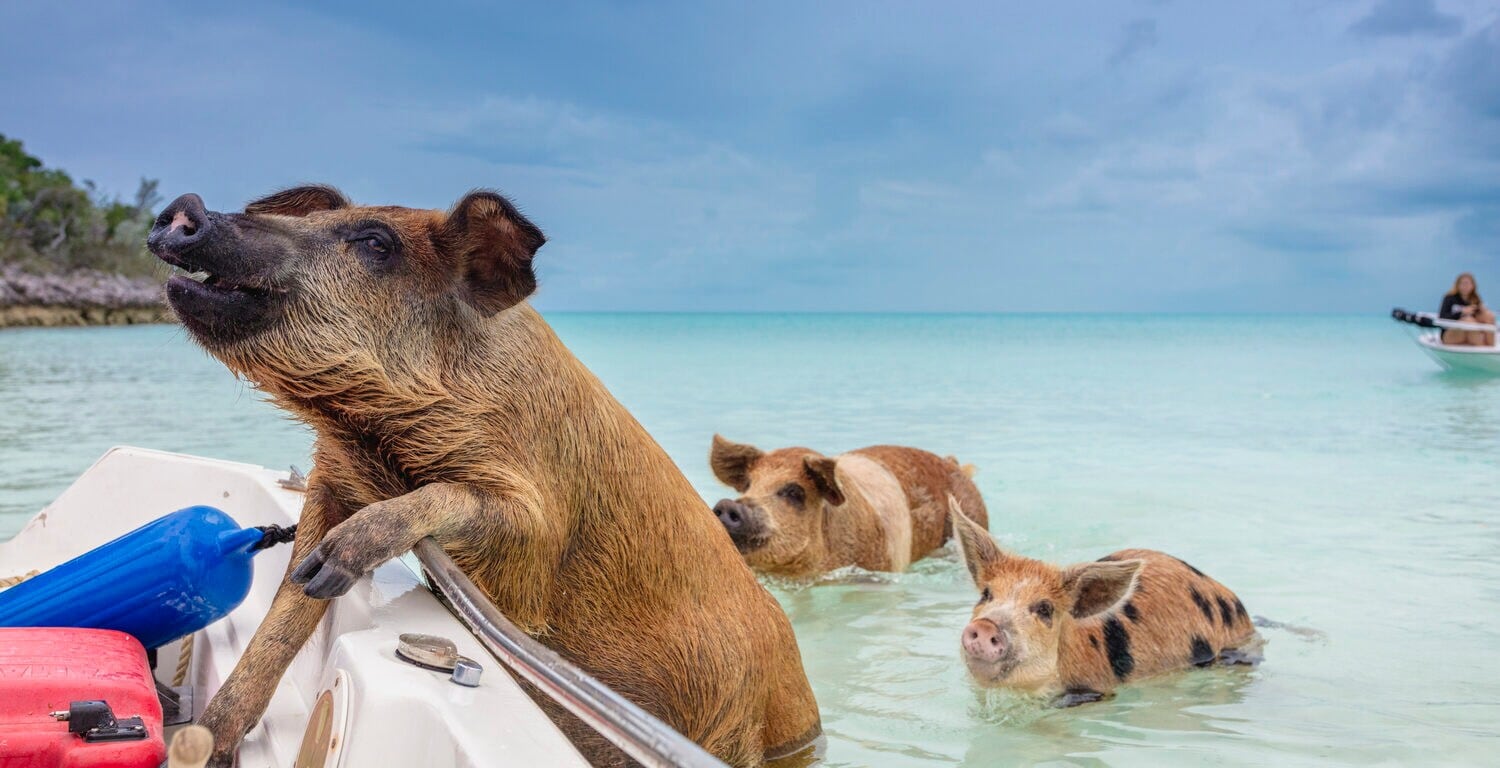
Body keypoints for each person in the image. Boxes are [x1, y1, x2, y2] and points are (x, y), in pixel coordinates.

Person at [1440, 273, 1496, 346]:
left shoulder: (1475, 299)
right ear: (1457, 285)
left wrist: (1483, 311)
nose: (1465, 286)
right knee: (1468, 320)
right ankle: (1482, 346)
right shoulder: (1449, 298)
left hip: (1471, 332)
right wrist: (1462, 312)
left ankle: (1491, 347)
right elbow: (1442, 317)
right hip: (1451, 334)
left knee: (1489, 315)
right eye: (1462, 284)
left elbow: (1480, 318)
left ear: (1473, 286)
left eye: (1467, 284)